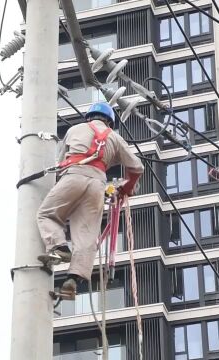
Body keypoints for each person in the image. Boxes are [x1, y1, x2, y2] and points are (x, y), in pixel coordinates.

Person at [36, 101, 144, 300]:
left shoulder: (74, 129)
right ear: (109, 122)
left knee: (47, 214)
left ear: (89, 117)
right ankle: (73, 281)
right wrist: (127, 189)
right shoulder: (115, 137)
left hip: (73, 176)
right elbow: (137, 168)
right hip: (97, 185)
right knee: (86, 235)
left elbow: (59, 164)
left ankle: (59, 247)